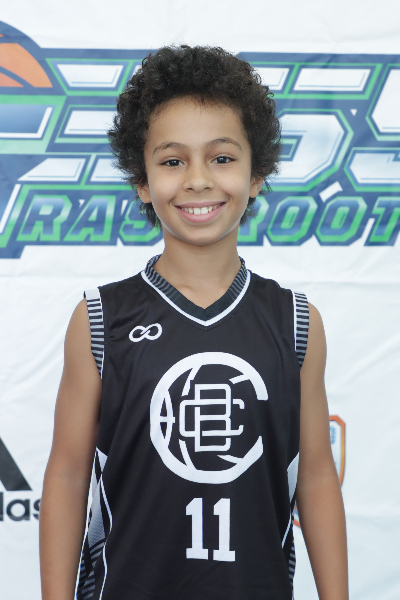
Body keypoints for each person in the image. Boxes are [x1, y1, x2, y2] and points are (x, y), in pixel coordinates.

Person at [39, 46, 348, 600]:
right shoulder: (101, 319)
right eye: (172, 161)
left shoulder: (297, 322)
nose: (198, 180)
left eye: (222, 158)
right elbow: (66, 474)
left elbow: (317, 474)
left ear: (257, 175)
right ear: (141, 180)